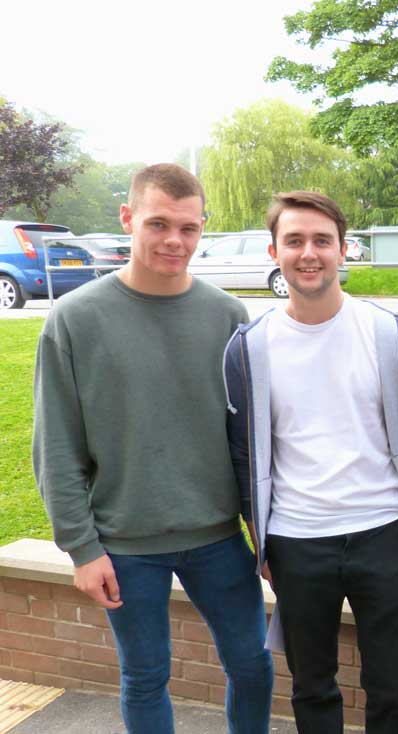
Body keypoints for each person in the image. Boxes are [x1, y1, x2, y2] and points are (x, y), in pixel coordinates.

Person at [32, 163, 273, 733]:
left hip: (217, 537)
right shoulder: (74, 319)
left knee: (254, 665)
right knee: (145, 677)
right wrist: (81, 549)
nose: (174, 241)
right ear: (128, 218)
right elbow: (57, 447)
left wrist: (263, 532)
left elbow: (250, 440)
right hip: (124, 544)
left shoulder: (227, 315)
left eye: (189, 228)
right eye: (159, 223)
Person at [224, 191, 398, 734]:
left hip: (381, 530)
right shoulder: (250, 348)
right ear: (274, 250)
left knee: (392, 684)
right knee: (312, 687)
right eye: (294, 241)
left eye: (321, 241)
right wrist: (261, 537)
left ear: (344, 250)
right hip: (295, 540)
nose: (308, 253)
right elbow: (244, 454)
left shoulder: (390, 335)